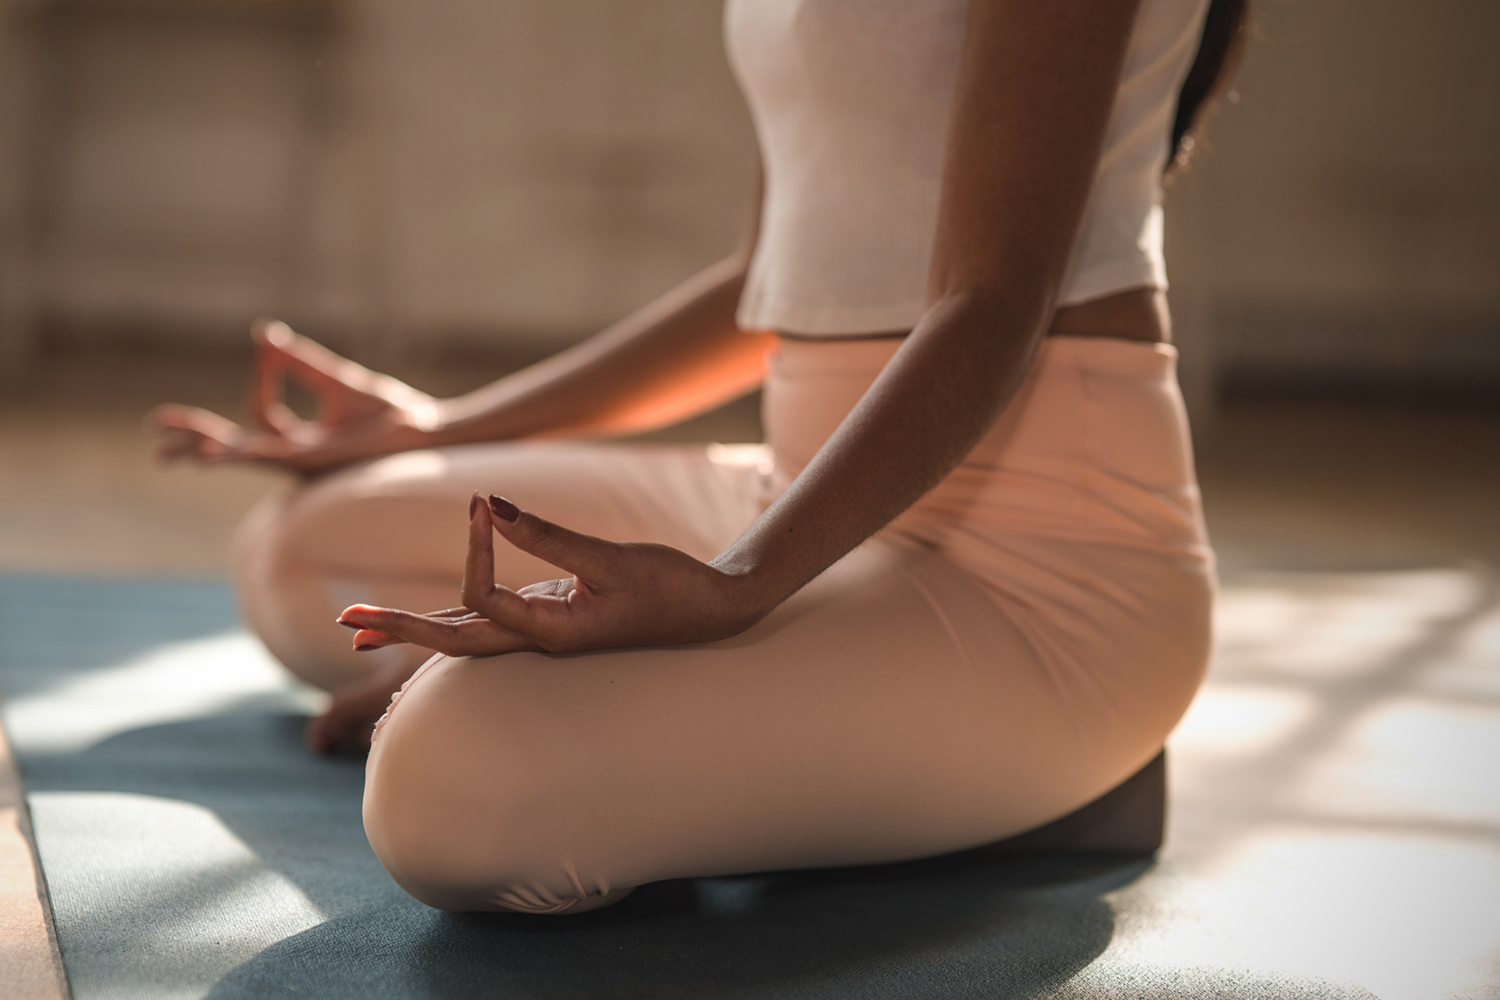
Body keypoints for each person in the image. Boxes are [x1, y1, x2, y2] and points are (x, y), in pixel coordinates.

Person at [152, 0, 1246, 914]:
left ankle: (1045, 751)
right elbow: (760, 285)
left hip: (1041, 564)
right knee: (305, 552)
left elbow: (990, 299)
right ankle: (740, 721)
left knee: (445, 791)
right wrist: (442, 425)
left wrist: (739, 584)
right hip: (805, 484)